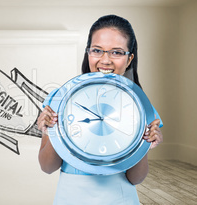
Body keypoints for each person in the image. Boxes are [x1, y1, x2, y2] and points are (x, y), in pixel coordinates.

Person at [37, 14, 163, 204]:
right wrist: (54, 130)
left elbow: (136, 178)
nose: (105, 60)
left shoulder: (140, 107)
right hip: (70, 197)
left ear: (129, 59)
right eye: (97, 50)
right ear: (88, 53)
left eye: (117, 52)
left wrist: (144, 145)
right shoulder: (60, 99)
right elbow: (47, 167)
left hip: (119, 197)